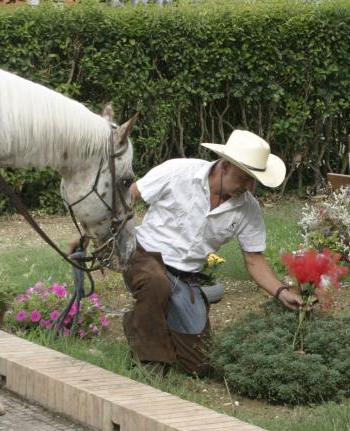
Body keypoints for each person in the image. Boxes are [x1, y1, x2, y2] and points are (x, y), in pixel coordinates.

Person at [122, 130, 303, 376]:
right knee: (156, 283)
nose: (249, 187)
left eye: (253, 181)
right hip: (144, 255)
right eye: (244, 178)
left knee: (199, 366)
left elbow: (253, 260)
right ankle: (150, 363)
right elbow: (129, 196)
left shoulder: (248, 209)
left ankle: (141, 319)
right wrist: (97, 232)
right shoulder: (178, 172)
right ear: (225, 166)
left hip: (186, 276)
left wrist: (281, 291)